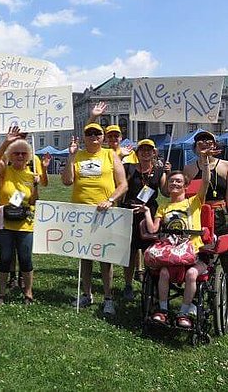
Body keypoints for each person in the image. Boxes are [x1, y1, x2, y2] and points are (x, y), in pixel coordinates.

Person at [61, 123, 128, 315]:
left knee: (105, 258)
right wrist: (71, 156)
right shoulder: (78, 156)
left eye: (97, 133)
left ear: (103, 137)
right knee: (85, 257)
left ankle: (108, 298)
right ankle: (87, 293)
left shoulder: (110, 155)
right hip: (81, 214)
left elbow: (123, 184)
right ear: (84, 137)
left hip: (104, 214)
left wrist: (110, 200)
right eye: (89, 133)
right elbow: (67, 181)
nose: (93, 136)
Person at [139, 156, 211, 328]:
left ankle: (184, 313)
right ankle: (163, 310)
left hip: (193, 252)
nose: (175, 184)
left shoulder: (194, 202)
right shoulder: (164, 207)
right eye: (172, 182)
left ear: (186, 186)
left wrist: (206, 161)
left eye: (179, 182)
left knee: (192, 274)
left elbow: (206, 181)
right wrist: (147, 212)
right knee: (163, 273)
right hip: (171, 253)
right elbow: (154, 229)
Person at [0, 126, 40, 304]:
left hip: (25, 222)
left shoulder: (31, 174)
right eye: (16, 153)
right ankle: (2, 293)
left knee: (25, 258)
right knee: (5, 258)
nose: (19, 156)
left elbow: (34, 201)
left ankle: (28, 293)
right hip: (5, 222)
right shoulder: (5, 171)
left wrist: (35, 186)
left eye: (22, 153)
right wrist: (6, 141)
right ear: (11, 155)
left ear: (27, 156)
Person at [119, 139, 169, 301]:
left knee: (150, 251)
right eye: (142, 150)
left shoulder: (159, 171)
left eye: (149, 150)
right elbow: (119, 184)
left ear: (154, 152)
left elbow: (166, 192)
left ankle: (149, 283)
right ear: (137, 152)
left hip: (149, 214)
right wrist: (119, 158)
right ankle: (128, 285)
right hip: (131, 212)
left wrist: (168, 173)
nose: (146, 153)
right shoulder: (130, 168)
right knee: (130, 252)